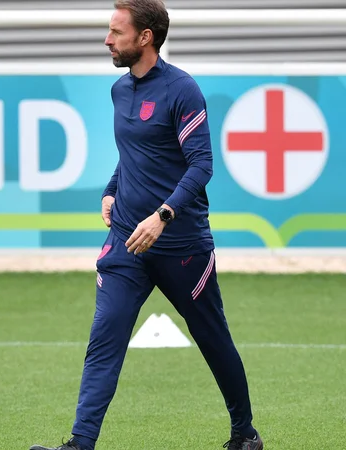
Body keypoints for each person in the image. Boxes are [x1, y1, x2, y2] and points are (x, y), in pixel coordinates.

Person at [29, 1, 264, 449]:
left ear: (145, 38)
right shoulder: (120, 90)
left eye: (116, 31)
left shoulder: (182, 90)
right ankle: (80, 444)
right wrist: (112, 187)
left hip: (181, 244)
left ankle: (244, 434)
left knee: (213, 339)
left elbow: (201, 165)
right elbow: (134, 153)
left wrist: (162, 215)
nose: (107, 39)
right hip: (125, 242)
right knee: (105, 340)